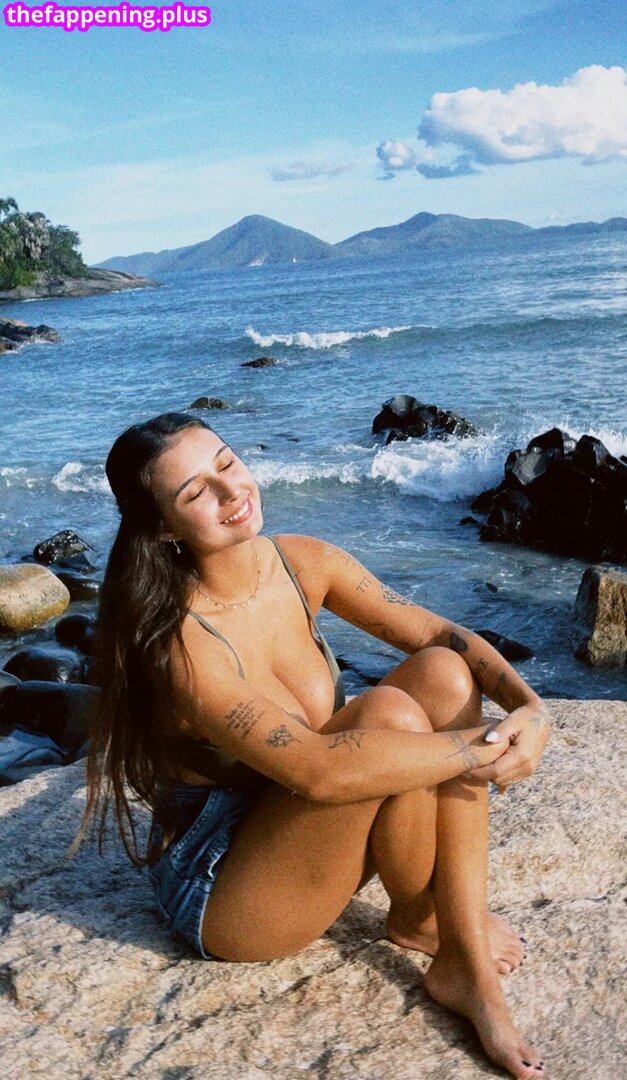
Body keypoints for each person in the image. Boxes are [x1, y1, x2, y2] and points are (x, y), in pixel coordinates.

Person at [78, 412, 550, 1080]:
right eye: (196, 492)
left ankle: (428, 923)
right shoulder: (176, 643)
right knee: (390, 715)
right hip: (221, 880)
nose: (231, 491)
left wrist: (529, 708)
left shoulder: (302, 562)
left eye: (227, 463)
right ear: (161, 528)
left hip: (295, 814)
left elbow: (438, 636)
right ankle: (464, 963)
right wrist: (488, 746)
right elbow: (317, 772)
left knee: (442, 675)